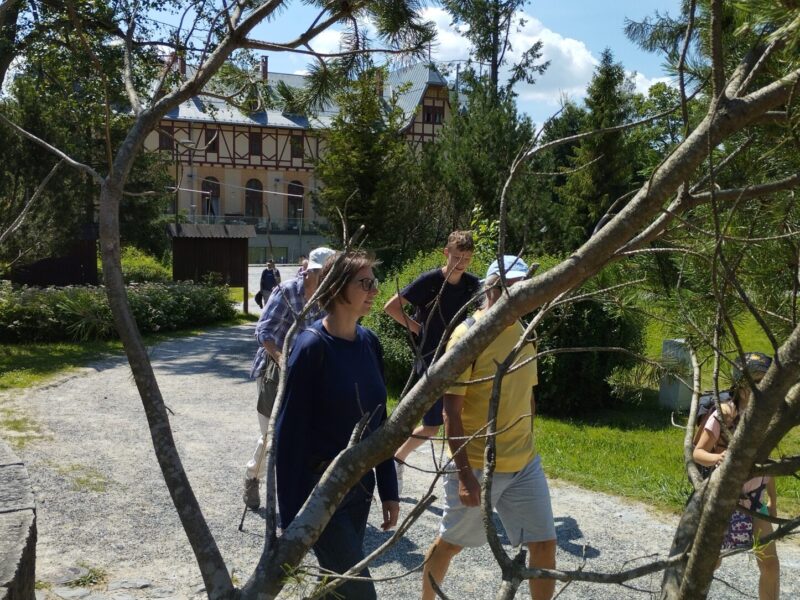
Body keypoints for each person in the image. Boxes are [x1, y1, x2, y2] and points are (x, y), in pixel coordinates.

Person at [421, 256, 557, 600]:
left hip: (524, 463)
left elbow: (527, 396)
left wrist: (527, 440)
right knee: (451, 544)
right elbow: (451, 411)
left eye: (523, 286)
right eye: (511, 286)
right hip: (479, 464)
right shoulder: (469, 335)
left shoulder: (527, 332)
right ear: (492, 287)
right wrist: (466, 475)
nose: (519, 293)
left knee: (544, 544)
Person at [275, 251, 399, 600]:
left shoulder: (370, 342)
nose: (374, 290)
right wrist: (290, 519)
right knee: (359, 591)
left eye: (374, 282)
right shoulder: (312, 347)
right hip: (320, 491)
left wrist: (388, 487)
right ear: (336, 287)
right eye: (366, 283)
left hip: (360, 490)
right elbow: (289, 435)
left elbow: (380, 422)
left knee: (334, 587)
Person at [384, 231, 480, 493]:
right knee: (434, 424)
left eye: (467, 258)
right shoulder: (430, 281)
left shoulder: (472, 284)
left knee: (456, 418)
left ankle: (405, 459)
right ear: (445, 253)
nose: (461, 263)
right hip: (431, 359)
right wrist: (419, 329)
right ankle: (397, 460)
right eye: (457, 257)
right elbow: (391, 307)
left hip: (459, 357)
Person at [242, 246, 336, 510]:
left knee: (308, 436)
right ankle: (253, 476)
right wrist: (283, 360)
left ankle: (301, 493)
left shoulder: (331, 298)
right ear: (309, 271)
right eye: (322, 274)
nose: (326, 281)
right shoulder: (286, 292)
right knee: (273, 436)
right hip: (276, 371)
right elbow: (264, 332)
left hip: (311, 375)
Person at [692, 352, 779, 600]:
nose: (759, 387)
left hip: (754, 501)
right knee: (710, 563)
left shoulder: (767, 420)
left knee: (770, 565)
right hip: (723, 500)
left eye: (765, 381)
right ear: (740, 385)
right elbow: (698, 452)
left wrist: (772, 499)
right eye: (754, 381)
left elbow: (766, 465)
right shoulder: (724, 415)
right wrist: (719, 459)